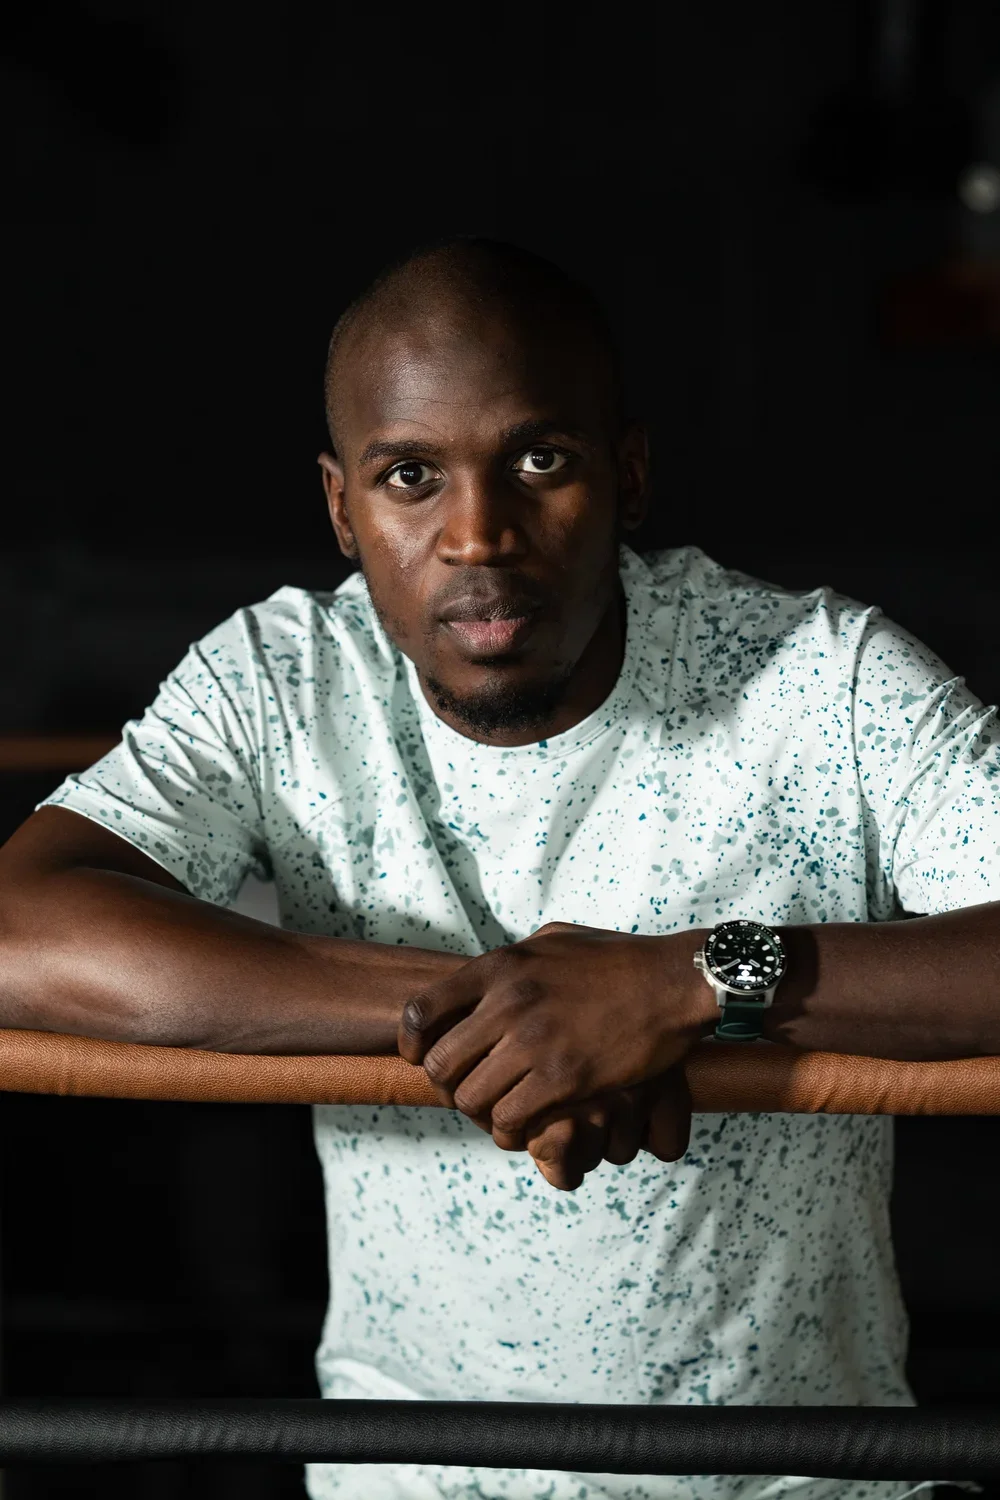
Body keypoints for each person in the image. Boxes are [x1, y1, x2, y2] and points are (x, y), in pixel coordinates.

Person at [1, 236, 999, 1500]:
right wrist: (518, 1016)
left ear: (628, 475)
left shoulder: (819, 677)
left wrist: (691, 983)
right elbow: (19, 928)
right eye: (410, 476)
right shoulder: (284, 679)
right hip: (408, 1481)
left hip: (796, 1484)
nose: (478, 534)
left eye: (540, 460)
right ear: (342, 510)